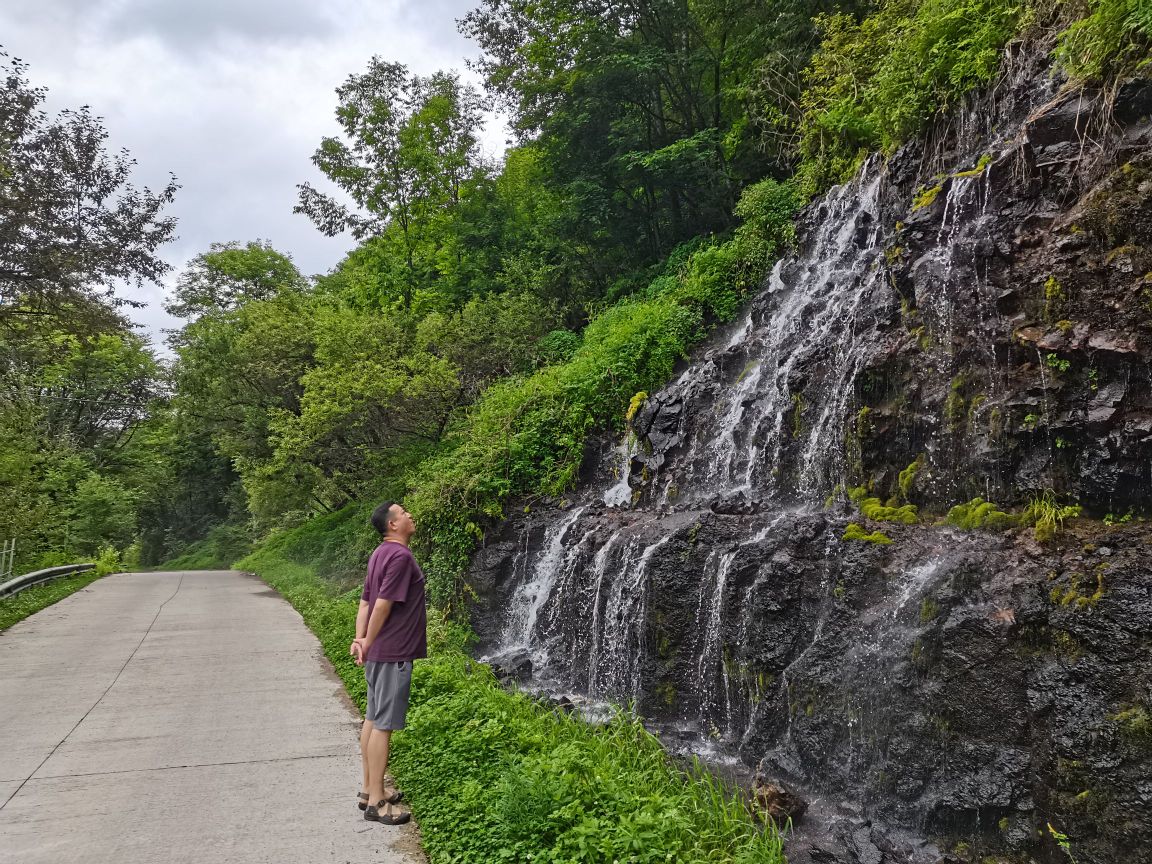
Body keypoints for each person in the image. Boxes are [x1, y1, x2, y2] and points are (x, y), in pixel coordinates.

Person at [350, 501, 427, 825]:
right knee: (383, 725)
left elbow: (365, 601)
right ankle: (378, 804)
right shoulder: (399, 556)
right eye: (404, 512)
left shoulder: (379, 554)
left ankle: (370, 789)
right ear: (393, 524)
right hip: (392, 652)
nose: (410, 514)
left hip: (378, 651)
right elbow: (381, 605)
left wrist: (361, 638)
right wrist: (367, 641)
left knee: (372, 718)